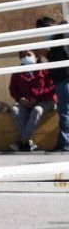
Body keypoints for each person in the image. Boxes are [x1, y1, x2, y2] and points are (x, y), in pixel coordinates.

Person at [7, 50, 56, 151]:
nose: (25, 57)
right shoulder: (18, 72)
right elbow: (13, 89)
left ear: (36, 57)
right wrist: (20, 99)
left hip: (46, 100)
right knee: (15, 109)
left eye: (28, 55)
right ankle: (28, 142)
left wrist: (37, 98)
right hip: (25, 101)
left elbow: (52, 87)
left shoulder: (45, 69)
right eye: (23, 55)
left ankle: (22, 141)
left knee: (37, 110)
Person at [36, 16, 69, 152]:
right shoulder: (55, 40)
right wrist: (47, 55)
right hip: (61, 79)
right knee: (64, 111)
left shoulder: (62, 34)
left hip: (64, 78)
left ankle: (65, 144)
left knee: (64, 111)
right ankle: (63, 142)